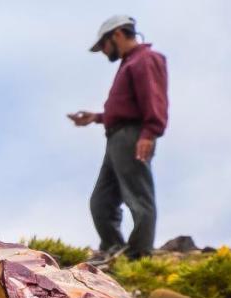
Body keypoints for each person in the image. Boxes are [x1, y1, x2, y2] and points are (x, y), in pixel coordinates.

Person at [68, 15, 168, 266]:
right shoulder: (129, 63)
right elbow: (125, 108)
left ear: (117, 35)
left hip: (133, 136)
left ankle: (140, 258)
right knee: (101, 202)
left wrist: (149, 134)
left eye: (103, 44)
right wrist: (96, 118)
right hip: (116, 138)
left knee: (139, 197)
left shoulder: (145, 60)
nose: (103, 51)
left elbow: (155, 101)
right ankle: (116, 251)